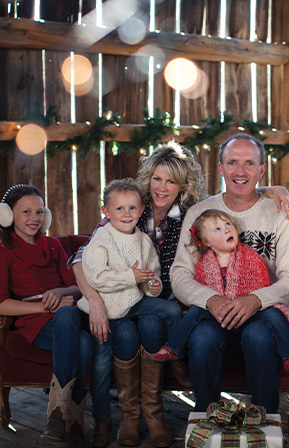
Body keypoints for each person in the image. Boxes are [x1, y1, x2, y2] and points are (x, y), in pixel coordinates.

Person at [69, 140, 289, 447]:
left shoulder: (207, 213)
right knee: (161, 334)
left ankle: (256, 427)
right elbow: (87, 255)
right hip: (137, 299)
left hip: (196, 303)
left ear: (183, 184)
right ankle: (160, 418)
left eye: (171, 181)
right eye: (158, 178)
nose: (162, 187)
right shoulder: (135, 208)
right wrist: (94, 301)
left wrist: (275, 188)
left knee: (244, 334)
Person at [171, 133, 289, 413]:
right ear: (221, 168)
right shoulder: (201, 213)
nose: (240, 171)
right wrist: (210, 299)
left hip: (262, 317)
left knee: (258, 336)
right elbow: (180, 273)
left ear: (261, 169)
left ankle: (265, 419)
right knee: (203, 337)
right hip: (213, 315)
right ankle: (205, 417)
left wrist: (255, 299)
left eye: (249, 163)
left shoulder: (281, 212)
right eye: (232, 162)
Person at [78, 178, 182, 448]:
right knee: (100, 367)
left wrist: (154, 285)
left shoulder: (143, 241)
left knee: (170, 308)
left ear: (141, 210)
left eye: (133, 208)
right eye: (120, 209)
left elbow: (151, 276)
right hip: (108, 310)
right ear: (106, 212)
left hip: (134, 302)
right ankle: (110, 420)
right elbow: (97, 277)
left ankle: (178, 357)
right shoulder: (101, 238)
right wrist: (130, 276)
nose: (127, 214)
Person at [149, 208, 289, 377]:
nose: (226, 229)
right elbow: (203, 292)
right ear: (206, 243)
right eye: (217, 229)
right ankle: (174, 347)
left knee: (274, 312)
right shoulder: (203, 265)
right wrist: (213, 301)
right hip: (220, 318)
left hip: (252, 313)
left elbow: (261, 285)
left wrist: (251, 301)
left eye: (228, 224)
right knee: (197, 308)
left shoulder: (251, 257)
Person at [0, 185, 93, 448]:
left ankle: (56, 420)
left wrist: (61, 291)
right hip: (34, 322)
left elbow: (77, 286)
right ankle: (73, 423)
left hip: (68, 314)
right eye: (26, 212)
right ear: (7, 215)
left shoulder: (53, 246)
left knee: (67, 315)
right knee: (84, 344)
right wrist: (45, 307)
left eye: (39, 212)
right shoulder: (3, 251)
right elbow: (1, 304)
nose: (34, 218)